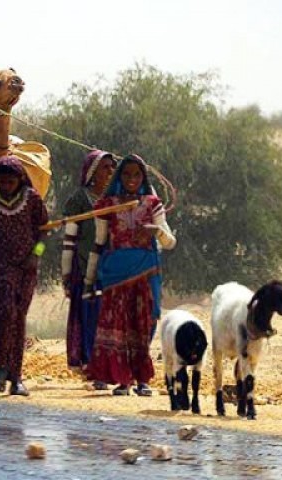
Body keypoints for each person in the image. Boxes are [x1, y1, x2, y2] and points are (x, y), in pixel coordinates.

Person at [84, 154, 177, 396]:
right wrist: (88, 279)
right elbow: (99, 242)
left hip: (145, 273)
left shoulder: (152, 204)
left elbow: (170, 242)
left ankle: (141, 380)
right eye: (126, 174)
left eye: (136, 175)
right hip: (115, 274)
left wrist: (155, 230)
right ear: (119, 176)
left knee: (144, 323)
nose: (132, 179)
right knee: (119, 326)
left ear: (143, 177)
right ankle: (122, 380)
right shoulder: (109, 205)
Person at [0, 155, 49, 396]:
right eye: (2, 182)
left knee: (17, 318)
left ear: (20, 179)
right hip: (1, 266)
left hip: (26, 268)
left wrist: (36, 255)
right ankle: (3, 365)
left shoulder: (32, 199)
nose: (6, 186)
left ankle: (15, 377)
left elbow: (43, 232)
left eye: (10, 182)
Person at [61, 150, 116, 385]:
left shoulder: (117, 200)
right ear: (93, 173)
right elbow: (69, 241)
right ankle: (91, 365)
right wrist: (66, 274)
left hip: (113, 271)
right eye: (105, 167)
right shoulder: (79, 201)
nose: (110, 172)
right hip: (86, 270)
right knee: (91, 318)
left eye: (113, 167)